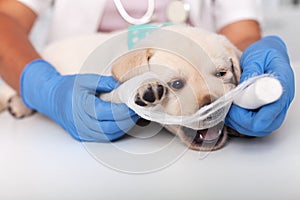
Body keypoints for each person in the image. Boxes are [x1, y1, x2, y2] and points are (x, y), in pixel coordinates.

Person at [0, 0, 294, 141]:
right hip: (63, 107)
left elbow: (240, 35)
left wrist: (256, 65)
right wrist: (41, 86)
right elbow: (5, 18)